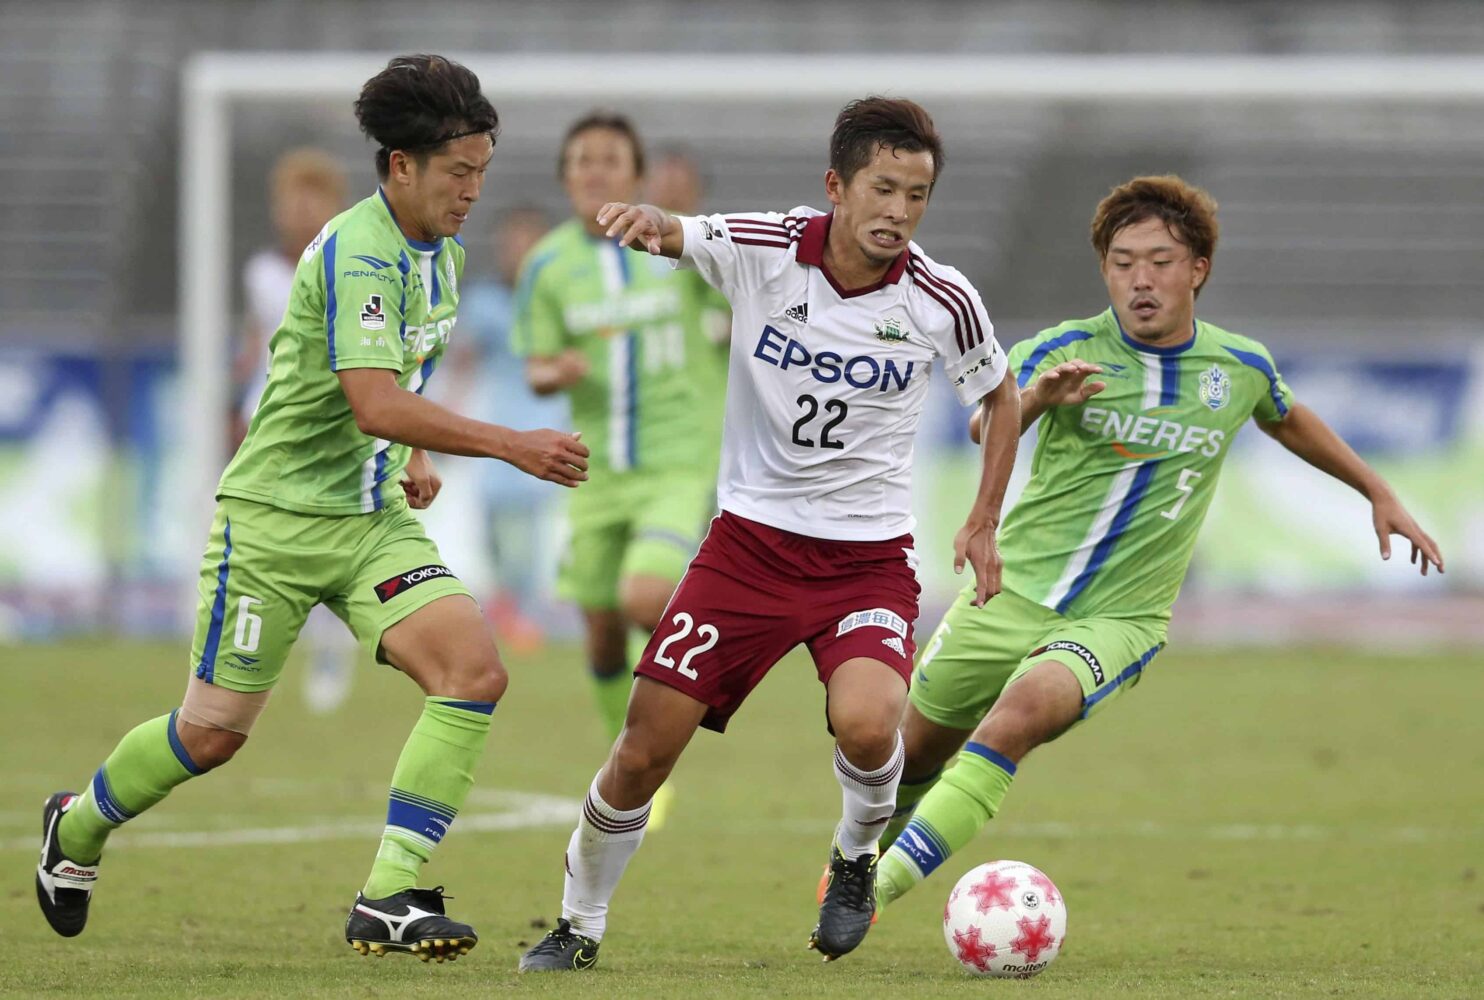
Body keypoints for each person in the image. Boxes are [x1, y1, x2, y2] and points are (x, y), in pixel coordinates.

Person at [34, 54, 590, 962]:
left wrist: (413, 454)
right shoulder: (355, 249)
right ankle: (81, 821)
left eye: (483, 173)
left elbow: (401, 379)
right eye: (459, 173)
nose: (473, 193)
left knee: (474, 671)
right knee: (211, 736)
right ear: (401, 166)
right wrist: (508, 442)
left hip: (369, 521)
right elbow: (370, 397)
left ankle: (389, 896)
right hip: (274, 525)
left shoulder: (441, 257)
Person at [517, 96, 1022, 973]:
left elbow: (1002, 397)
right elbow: (686, 233)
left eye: (917, 195)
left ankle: (855, 858)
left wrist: (982, 519)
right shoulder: (765, 249)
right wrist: (648, 222)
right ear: (837, 186)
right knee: (643, 751)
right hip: (747, 548)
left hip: (866, 560)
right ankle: (577, 923)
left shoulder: (943, 299)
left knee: (872, 727)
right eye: (883, 189)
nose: (900, 212)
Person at [867, 175, 1445, 926]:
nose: (1140, 279)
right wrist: (1039, 397)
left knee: (1019, 714)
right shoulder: (1065, 349)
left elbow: (1286, 416)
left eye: (1161, 261)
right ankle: (855, 860)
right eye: (1122, 261)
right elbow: (986, 423)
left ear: (1197, 267)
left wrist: (1377, 490)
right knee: (910, 753)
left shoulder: (1235, 368)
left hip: (1123, 617)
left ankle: (866, 895)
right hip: (1010, 591)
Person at [511, 113, 727, 768]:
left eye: (610, 159)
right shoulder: (546, 266)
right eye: (581, 160)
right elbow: (536, 367)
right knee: (602, 633)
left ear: (637, 175)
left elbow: (733, 319)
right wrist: (557, 371)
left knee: (642, 597)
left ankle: (677, 716)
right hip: (593, 471)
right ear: (565, 177)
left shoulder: (675, 247)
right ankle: (626, 755)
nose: (594, 170)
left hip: (676, 464)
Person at [235, 147, 361, 714]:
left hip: (326, 430)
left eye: (314, 198)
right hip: (264, 424)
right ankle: (250, 656)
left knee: (325, 544)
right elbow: (251, 346)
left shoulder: (349, 265)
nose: (300, 210)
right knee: (261, 547)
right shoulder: (260, 273)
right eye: (291, 200)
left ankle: (331, 650)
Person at [444, 205, 559, 651]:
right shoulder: (485, 305)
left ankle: (523, 618)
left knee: (522, 533)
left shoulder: (557, 304)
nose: (520, 254)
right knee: (494, 530)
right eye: (513, 244)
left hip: (544, 426)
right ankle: (510, 613)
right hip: (495, 431)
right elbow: (463, 363)